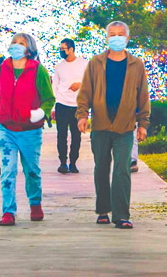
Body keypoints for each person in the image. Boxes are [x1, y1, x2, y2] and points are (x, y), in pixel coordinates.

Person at [77, 21, 150, 229]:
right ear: (107, 38)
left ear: (127, 39)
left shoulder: (136, 65)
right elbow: (85, 93)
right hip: (100, 125)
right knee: (101, 168)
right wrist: (82, 115)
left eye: (120, 34)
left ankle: (121, 215)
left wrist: (143, 123)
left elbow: (143, 96)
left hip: (125, 127)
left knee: (121, 170)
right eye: (112, 34)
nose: (116, 37)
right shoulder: (95, 63)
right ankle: (102, 210)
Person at [0, 33, 55, 226]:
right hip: (6, 129)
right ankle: (8, 211)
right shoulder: (0, 70)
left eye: (21, 44)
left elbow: (49, 98)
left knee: (31, 170)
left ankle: (35, 204)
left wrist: (41, 113)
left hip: (30, 130)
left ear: (29, 49)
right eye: (14, 43)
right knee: (7, 170)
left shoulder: (38, 71)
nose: (16, 46)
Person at [51, 38, 88, 174]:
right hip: (62, 104)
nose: (61, 51)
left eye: (63, 49)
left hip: (78, 106)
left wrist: (80, 84)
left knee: (76, 136)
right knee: (61, 135)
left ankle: (73, 162)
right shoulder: (59, 66)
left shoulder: (84, 64)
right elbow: (54, 86)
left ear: (71, 49)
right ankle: (62, 163)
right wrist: (53, 107)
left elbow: (91, 82)